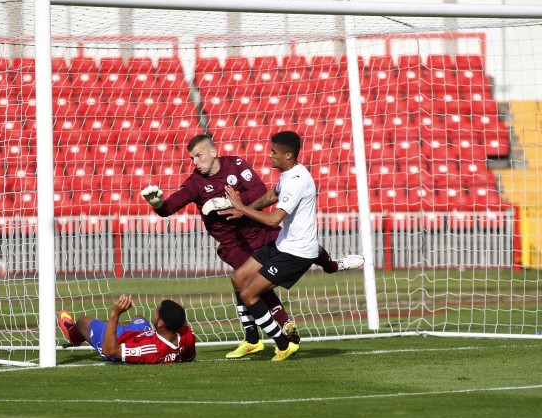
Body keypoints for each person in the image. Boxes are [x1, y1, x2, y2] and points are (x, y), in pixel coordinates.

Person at [140, 134, 349, 359]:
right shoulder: (195, 183)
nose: (195, 162)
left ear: (213, 152)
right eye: (191, 158)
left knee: (289, 256)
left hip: (261, 231)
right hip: (234, 244)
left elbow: (260, 191)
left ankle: (330, 266)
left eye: (198, 156)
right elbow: (169, 207)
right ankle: (270, 332)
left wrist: (229, 202)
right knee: (247, 283)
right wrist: (158, 204)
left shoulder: (236, 165)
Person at [221, 130, 364, 362]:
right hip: (283, 243)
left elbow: (273, 219)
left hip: (295, 253)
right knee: (238, 279)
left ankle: (283, 344)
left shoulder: (297, 181)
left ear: (288, 155)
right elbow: (271, 196)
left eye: (274, 152)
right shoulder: (288, 175)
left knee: (249, 294)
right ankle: (252, 340)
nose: (270, 156)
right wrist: (245, 208)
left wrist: (242, 207)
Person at [57, 295, 196, 364]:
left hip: (115, 341)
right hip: (143, 333)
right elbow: (190, 357)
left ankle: (74, 336)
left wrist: (115, 314)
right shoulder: (186, 335)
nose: (155, 312)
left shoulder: (150, 349)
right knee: (139, 317)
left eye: (156, 312)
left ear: (160, 323)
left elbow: (110, 351)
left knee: (82, 322)